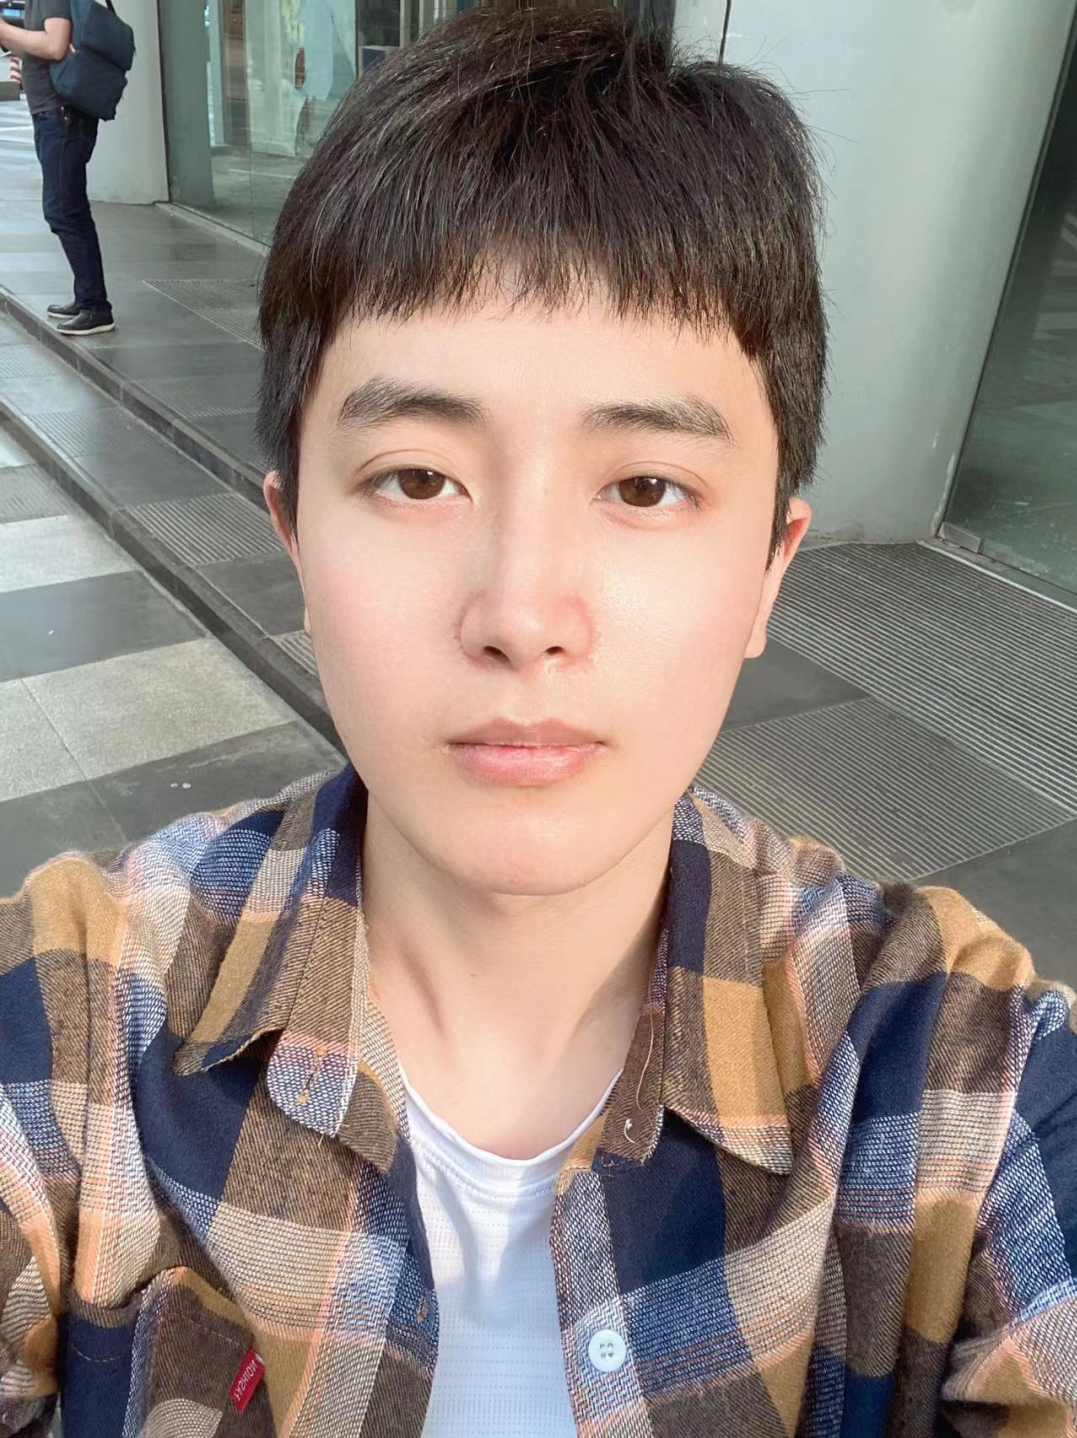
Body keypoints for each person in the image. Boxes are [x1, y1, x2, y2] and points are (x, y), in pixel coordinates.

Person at [1, 7, 1074, 1434]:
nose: (521, 611)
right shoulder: (78, 1016)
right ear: (295, 536)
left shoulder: (956, 1078)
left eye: (645, 488)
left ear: (770, 566)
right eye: (416, 478)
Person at [0, 0, 115, 335]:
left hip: (62, 115)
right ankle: (87, 297)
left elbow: (54, 45)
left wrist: (3, 29)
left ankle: (96, 307)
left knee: (63, 210)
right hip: (53, 114)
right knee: (70, 208)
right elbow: (34, 47)